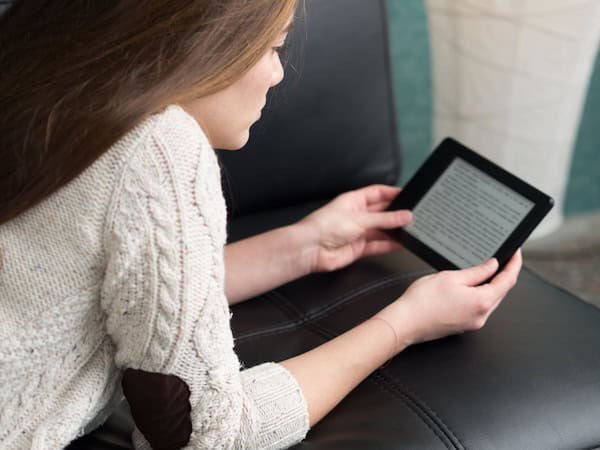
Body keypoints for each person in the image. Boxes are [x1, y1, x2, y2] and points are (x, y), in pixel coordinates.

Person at [0, 0, 522, 448]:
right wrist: (406, 322)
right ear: (200, 41)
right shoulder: (158, 149)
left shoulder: (45, 80)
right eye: (276, 46)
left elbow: (117, 288)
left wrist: (307, 245)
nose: (277, 74)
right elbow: (207, 435)